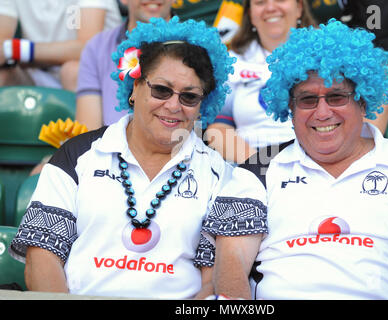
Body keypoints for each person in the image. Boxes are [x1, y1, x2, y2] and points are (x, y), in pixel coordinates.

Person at [8, 17, 267, 299]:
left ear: (202, 104)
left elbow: (212, 283)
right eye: (161, 90)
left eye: (189, 97)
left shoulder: (219, 174)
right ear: (134, 88)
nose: (173, 105)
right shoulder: (76, 155)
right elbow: (42, 258)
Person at [214, 19, 388, 300]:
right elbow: (231, 260)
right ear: (290, 108)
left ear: (362, 102)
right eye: (307, 100)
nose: (322, 112)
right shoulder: (258, 168)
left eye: (337, 97)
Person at [205, 0, 317, 164]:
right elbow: (218, 129)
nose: (270, 8)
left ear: (299, 8)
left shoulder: (328, 55)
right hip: (252, 165)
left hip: (318, 160)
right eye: (260, 2)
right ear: (250, 14)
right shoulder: (231, 62)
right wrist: (258, 167)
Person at [76, 0, 175, 131]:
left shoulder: (202, 46)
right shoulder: (96, 47)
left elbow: (208, 124)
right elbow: (88, 133)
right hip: (113, 149)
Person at [0, 0, 122, 91]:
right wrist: (11, 51)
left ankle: (89, 125)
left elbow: (88, 47)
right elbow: (2, 44)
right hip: (37, 71)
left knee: (71, 72)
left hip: (94, 73)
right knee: (3, 75)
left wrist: (15, 50)